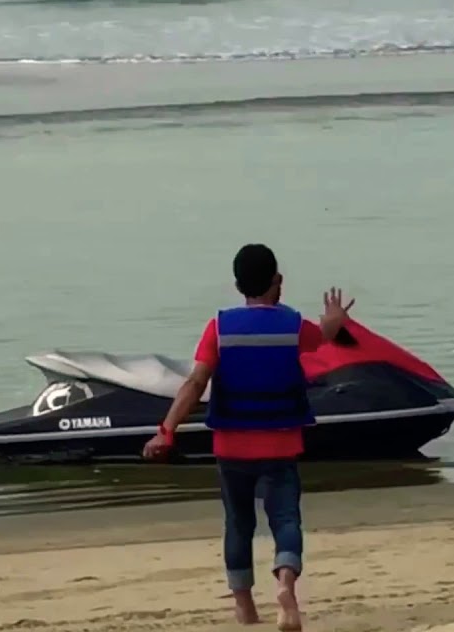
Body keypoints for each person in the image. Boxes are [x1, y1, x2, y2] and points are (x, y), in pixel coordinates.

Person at [142, 243, 354, 631]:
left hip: (232, 446)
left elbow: (195, 383)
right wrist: (335, 319)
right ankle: (285, 584)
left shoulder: (219, 328)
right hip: (280, 443)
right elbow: (323, 335)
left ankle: (245, 609)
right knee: (285, 518)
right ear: (278, 280)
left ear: (238, 285)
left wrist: (166, 431)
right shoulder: (293, 326)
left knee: (238, 524)